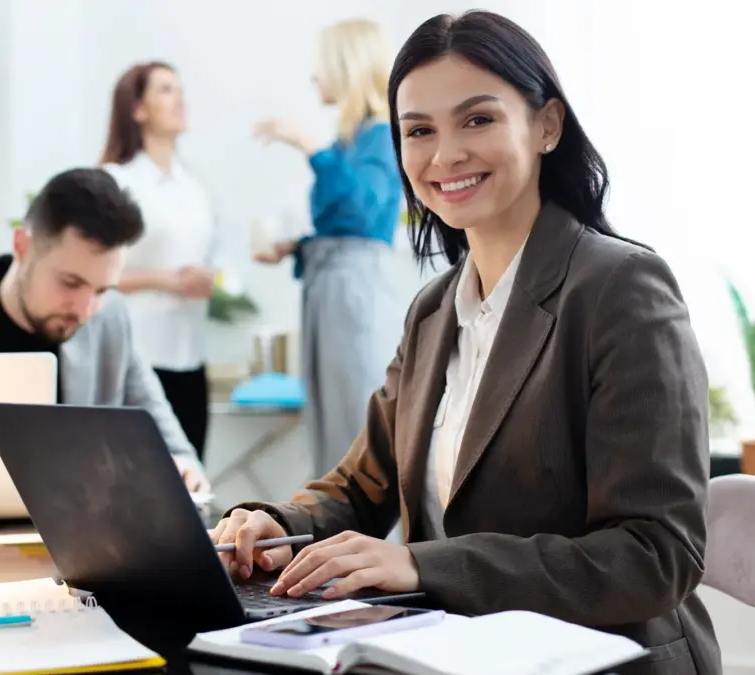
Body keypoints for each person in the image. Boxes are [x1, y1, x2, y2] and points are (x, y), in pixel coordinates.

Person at [213, 10, 719, 674]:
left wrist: (420, 562)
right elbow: (363, 484)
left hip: (604, 660)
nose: (445, 155)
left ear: (547, 125)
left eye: (477, 120)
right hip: (456, 654)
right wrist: (275, 522)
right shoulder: (433, 309)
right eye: (418, 130)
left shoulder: (621, 288)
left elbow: (655, 555)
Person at [0, 168, 210, 493]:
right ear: (22, 246)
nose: (84, 310)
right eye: (70, 283)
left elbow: (176, 448)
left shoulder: (110, 321)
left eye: (101, 289)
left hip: (81, 543)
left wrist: (181, 470)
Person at [251, 18, 404, 479]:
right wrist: (297, 246)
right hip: (330, 285)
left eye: (321, 65)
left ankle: (365, 545)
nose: (315, 76)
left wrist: (309, 146)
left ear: (346, 66)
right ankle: (331, 538)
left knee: (352, 419)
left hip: (352, 289)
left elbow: (363, 212)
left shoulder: (381, 134)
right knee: (327, 421)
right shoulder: (350, 140)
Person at [99, 61, 219, 462]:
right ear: (137, 109)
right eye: (166, 89)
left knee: (192, 480)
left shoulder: (194, 184)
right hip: (142, 353)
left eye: (180, 89)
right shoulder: (117, 181)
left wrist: (207, 278)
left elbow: (204, 258)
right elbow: (95, 273)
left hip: (191, 355)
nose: (179, 98)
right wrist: (167, 281)